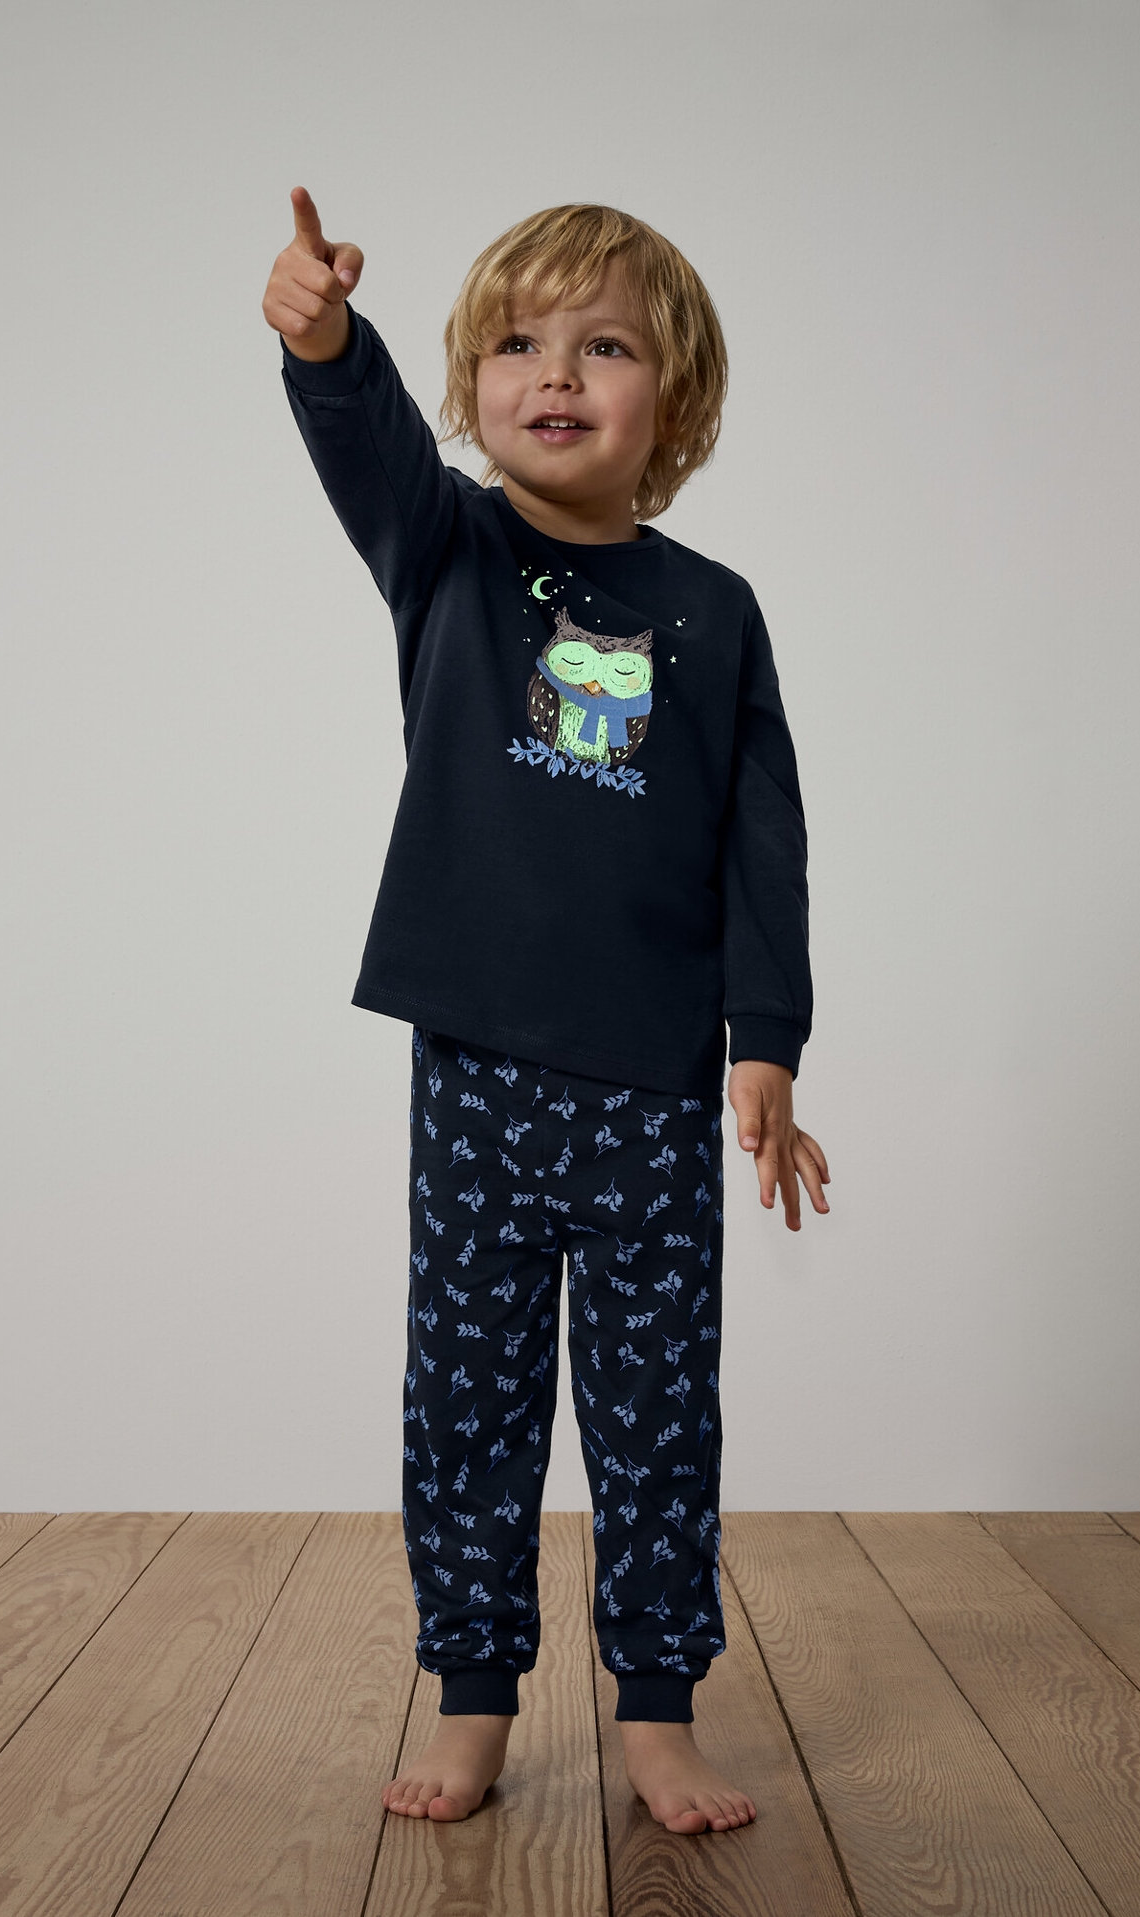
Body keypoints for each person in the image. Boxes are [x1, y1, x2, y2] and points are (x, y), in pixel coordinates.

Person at [262, 187, 830, 1836]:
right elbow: (360, 442)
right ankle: (476, 1694)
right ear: (469, 384)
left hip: (652, 1087)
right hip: (481, 1073)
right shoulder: (447, 549)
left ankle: (657, 1710)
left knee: (656, 1410)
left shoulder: (712, 612)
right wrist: (320, 341)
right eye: (515, 343)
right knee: (471, 1399)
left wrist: (766, 1043)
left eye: (602, 346)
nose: (553, 373)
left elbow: (761, 839)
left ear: (678, 400)